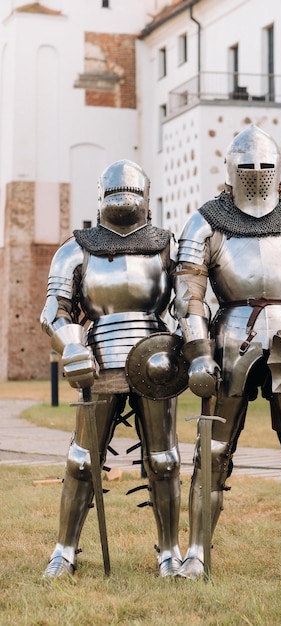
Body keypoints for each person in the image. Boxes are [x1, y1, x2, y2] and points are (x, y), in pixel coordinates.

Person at [173, 125, 281, 580]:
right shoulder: (206, 220)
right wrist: (198, 349)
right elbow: (189, 290)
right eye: (247, 166)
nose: (256, 174)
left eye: (264, 166)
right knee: (211, 452)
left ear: (279, 170)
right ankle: (195, 552)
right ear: (230, 171)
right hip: (229, 340)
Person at [40, 159, 183, 578]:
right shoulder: (76, 248)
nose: (125, 199)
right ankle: (64, 550)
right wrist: (71, 345)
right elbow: (54, 311)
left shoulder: (167, 246)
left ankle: (170, 551)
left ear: (148, 199)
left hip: (158, 358)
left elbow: (188, 300)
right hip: (99, 356)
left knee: (165, 460)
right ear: (100, 197)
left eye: (133, 191)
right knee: (82, 459)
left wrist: (185, 340)